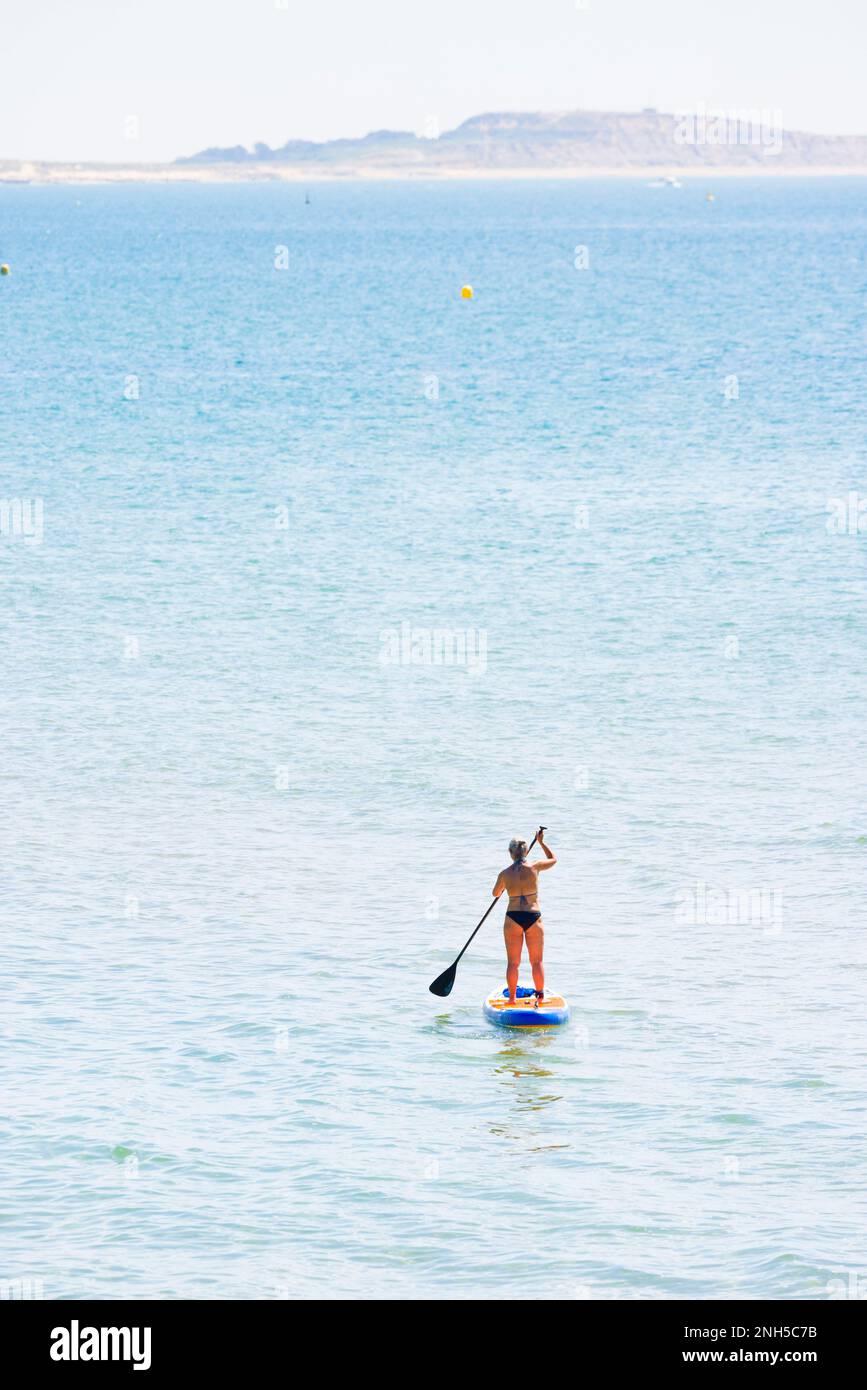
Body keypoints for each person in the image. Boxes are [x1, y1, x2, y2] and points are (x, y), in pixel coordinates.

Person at [491, 829, 556, 1006]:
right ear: (526, 851)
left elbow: (495, 893)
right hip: (533, 916)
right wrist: (541, 842)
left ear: (510, 853)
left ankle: (511, 999)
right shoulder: (535, 866)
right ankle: (540, 997)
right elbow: (553, 860)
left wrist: (506, 886)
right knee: (537, 962)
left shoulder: (504, 874)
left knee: (513, 963)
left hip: (513, 918)